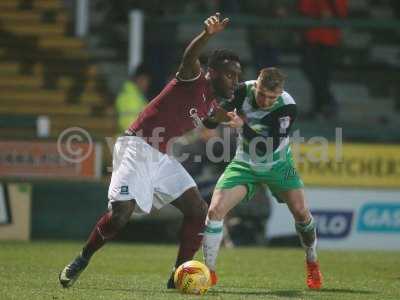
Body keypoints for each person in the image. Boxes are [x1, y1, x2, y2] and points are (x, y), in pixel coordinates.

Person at [59, 13, 242, 289]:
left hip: (160, 157)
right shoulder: (193, 79)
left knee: (197, 209)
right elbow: (190, 56)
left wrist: (230, 118)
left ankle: (177, 275)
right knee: (121, 215)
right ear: (212, 72)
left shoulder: (210, 102)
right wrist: (207, 35)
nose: (235, 81)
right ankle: (82, 258)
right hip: (135, 147)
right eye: (230, 75)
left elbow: (212, 116)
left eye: (238, 77)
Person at [201, 67, 323, 289]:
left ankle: (312, 262)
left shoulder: (287, 106)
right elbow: (212, 120)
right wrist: (212, 116)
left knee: (301, 213)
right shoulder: (240, 91)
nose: (266, 101)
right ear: (255, 85)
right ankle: (208, 272)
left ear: (279, 94)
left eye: (271, 97)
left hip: (279, 164)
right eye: (262, 94)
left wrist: (242, 126)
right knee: (214, 211)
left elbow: (268, 146)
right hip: (244, 163)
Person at [299, 0, 348, 119]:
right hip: (313, 36)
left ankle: (318, 108)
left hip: (329, 39)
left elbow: (341, 13)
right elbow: (304, 8)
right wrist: (318, 12)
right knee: (312, 70)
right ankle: (327, 102)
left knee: (323, 75)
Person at [115, 64, 152, 133]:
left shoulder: (132, 94)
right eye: (147, 81)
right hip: (130, 140)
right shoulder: (131, 97)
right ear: (140, 79)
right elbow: (131, 125)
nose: (147, 85)